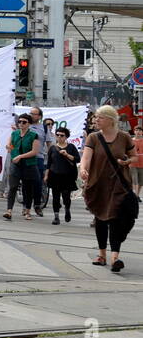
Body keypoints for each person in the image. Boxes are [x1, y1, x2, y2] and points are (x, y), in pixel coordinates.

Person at [80, 105, 136, 272]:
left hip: (119, 185)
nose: (96, 120)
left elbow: (133, 156)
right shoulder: (93, 137)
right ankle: (103, 255)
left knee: (117, 220)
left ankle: (115, 257)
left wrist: (127, 161)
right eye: (95, 117)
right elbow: (86, 157)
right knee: (101, 220)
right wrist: (83, 169)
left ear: (111, 120)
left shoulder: (124, 137)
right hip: (98, 185)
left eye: (100, 117)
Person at [3, 114, 41, 221]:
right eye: (19, 122)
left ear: (29, 124)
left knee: (28, 188)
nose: (21, 124)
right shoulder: (14, 133)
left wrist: (20, 156)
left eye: (24, 122)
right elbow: (9, 144)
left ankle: (27, 211)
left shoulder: (34, 135)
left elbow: (34, 151)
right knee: (13, 187)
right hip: (16, 164)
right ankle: (9, 210)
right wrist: (9, 147)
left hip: (29, 164)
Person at [46, 127, 80, 225]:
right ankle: (56, 217)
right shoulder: (52, 148)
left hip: (68, 176)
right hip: (54, 175)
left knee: (66, 196)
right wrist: (46, 175)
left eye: (62, 135)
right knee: (55, 196)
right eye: (57, 135)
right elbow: (49, 162)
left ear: (66, 137)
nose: (59, 137)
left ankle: (67, 209)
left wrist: (67, 155)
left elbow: (77, 159)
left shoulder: (71, 147)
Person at [131, 124, 143, 196]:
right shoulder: (131, 141)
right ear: (134, 131)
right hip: (132, 163)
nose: (138, 132)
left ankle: (137, 195)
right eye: (136, 130)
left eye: (140, 130)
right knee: (134, 180)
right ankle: (135, 195)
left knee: (141, 181)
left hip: (142, 163)